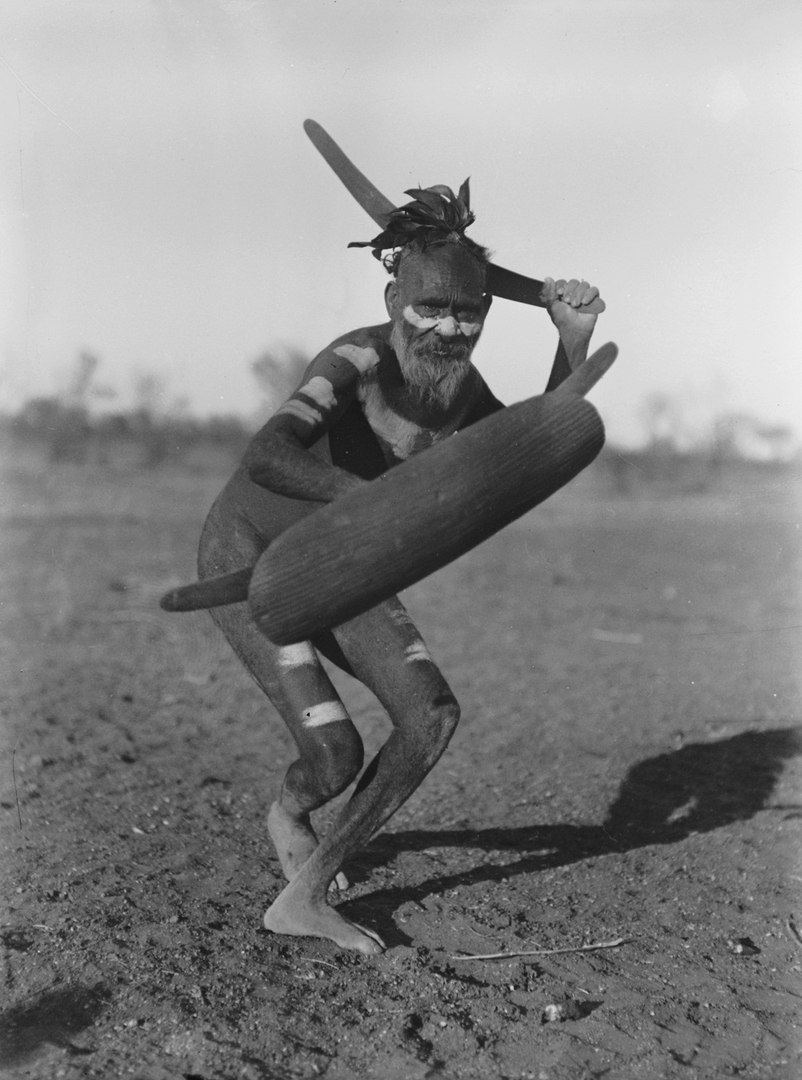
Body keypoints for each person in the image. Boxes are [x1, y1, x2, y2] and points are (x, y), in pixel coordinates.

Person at [192, 183, 603, 954]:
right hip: (249, 555)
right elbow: (269, 455)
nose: (449, 328)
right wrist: (365, 499)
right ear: (393, 296)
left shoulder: (463, 394)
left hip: (344, 563)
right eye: (430, 309)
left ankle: (303, 895)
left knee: (430, 716)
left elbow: (537, 444)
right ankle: (289, 813)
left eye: (468, 315)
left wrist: (570, 338)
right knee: (334, 755)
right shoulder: (354, 357)